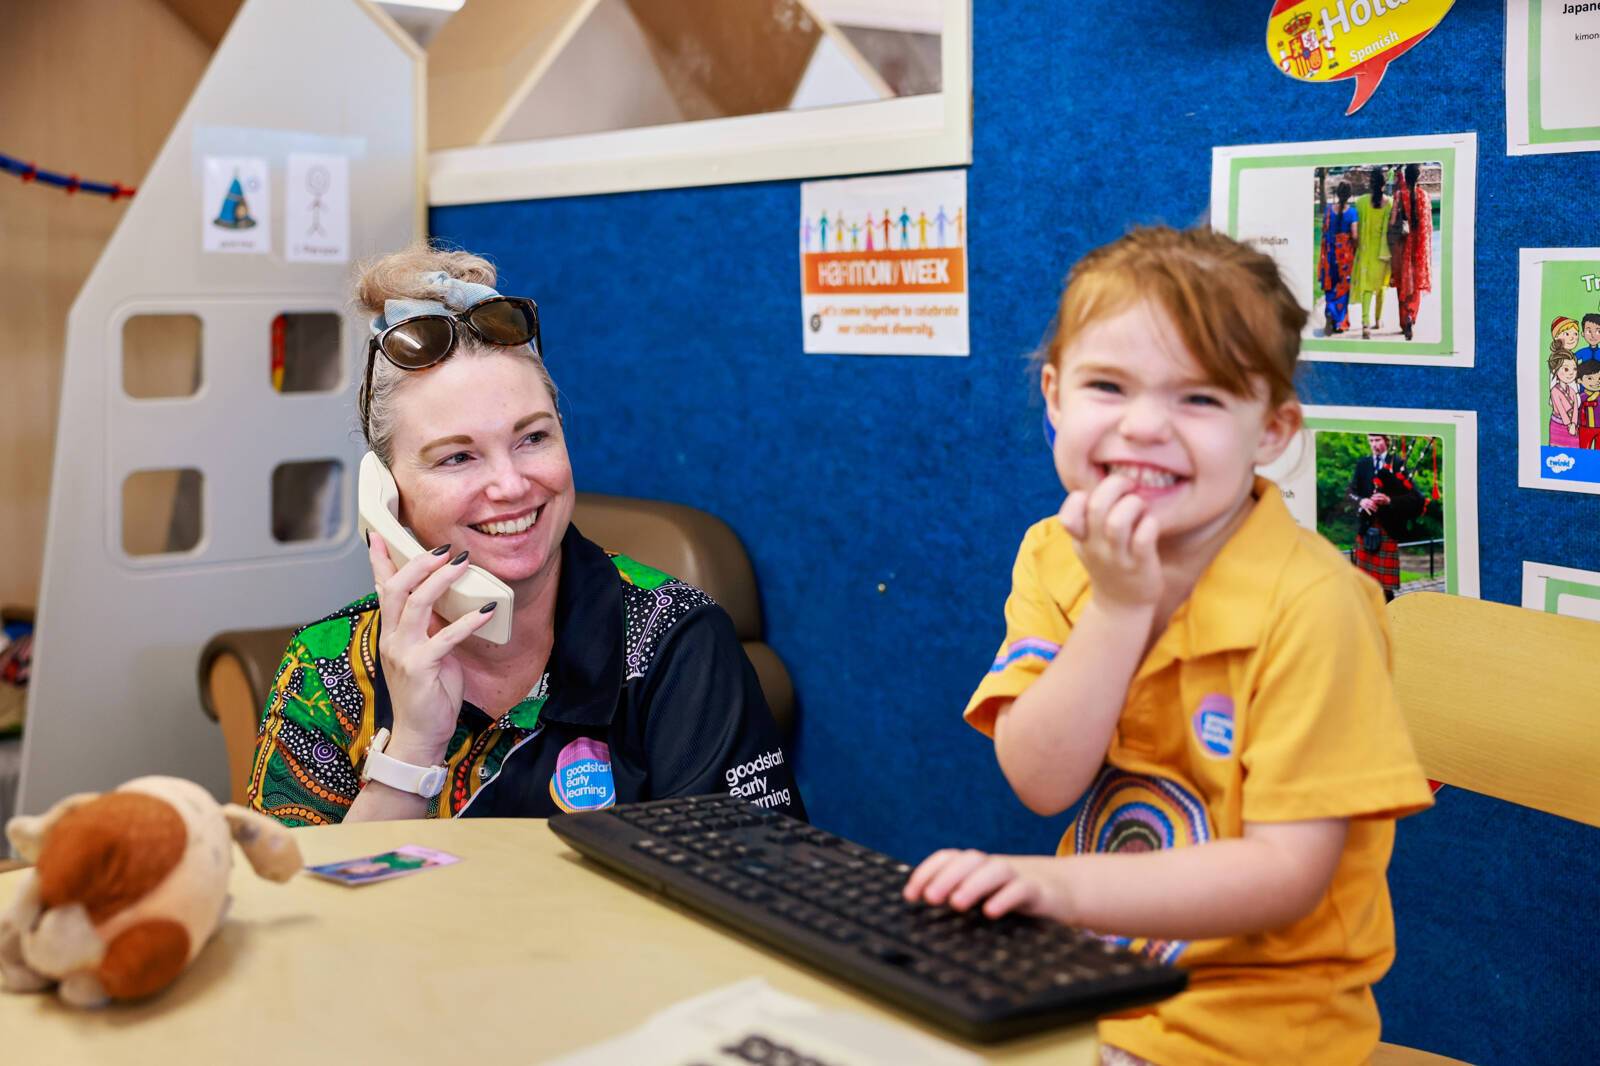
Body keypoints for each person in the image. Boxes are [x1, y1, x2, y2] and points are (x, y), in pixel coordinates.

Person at [901, 227, 1433, 1065]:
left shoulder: (1316, 603)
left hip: (1250, 1032)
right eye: (1107, 386)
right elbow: (1040, 781)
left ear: (1272, 430)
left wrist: (1053, 886)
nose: (1145, 425)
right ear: (1054, 396)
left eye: (1201, 398)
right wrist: (1120, 610)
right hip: (1085, 990)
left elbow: (1285, 874)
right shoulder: (1055, 552)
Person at [248, 245, 804, 825]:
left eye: (532, 438)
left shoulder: (674, 643)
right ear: (385, 493)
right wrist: (411, 752)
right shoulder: (326, 671)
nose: (511, 485)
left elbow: (749, 870)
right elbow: (294, 884)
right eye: (458, 457)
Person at [1347, 434, 1424, 603]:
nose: (1374, 444)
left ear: (1387, 441)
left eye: (1378, 440)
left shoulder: (1398, 464)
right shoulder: (1363, 464)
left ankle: (1387, 610)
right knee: (1364, 582)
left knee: (1385, 587)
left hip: (1388, 529)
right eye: (1371, 440)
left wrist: (1390, 500)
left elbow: (1416, 499)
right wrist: (1362, 501)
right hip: (1365, 528)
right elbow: (1350, 492)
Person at [1388, 163, 1432, 341]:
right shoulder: (1424, 196)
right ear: (1418, 177)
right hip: (1418, 249)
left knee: (1403, 284)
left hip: (1402, 246)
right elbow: (1427, 227)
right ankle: (1410, 316)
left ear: (1405, 177)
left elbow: (1392, 222)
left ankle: (1403, 319)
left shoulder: (1399, 195)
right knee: (1415, 286)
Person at [1350, 166, 1392, 339]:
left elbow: (1355, 227)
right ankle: (1378, 320)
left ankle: (1365, 323)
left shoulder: (1361, 202)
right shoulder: (1390, 203)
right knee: (1381, 287)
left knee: (1367, 288)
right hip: (1383, 252)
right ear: (1384, 184)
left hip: (1366, 251)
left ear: (1370, 183)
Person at [1318, 179, 1359, 335]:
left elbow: (1324, 230)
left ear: (1337, 193)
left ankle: (1329, 311)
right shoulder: (1352, 213)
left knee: (1330, 285)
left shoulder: (1328, 210)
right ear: (1349, 195)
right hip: (1345, 256)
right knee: (1343, 287)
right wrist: (1356, 248)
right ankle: (1339, 322)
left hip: (1329, 254)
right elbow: (1354, 236)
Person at [1549, 352, 1581, 448]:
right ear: (1555, 371)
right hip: (1558, 424)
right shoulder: (1554, 391)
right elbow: (1561, 410)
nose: (1571, 373)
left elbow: (1575, 409)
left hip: (1573, 426)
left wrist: (1574, 424)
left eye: (1574, 369)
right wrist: (1569, 424)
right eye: (1566, 369)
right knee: (1557, 450)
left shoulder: (1572, 390)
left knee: (1574, 448)